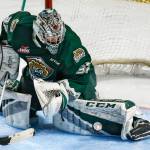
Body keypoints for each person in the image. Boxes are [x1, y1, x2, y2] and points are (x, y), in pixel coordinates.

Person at [0, 8, 150, 141]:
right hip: (39, 75)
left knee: (74, 112)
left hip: (76, 78)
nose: (55, 42)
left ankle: (133, 121)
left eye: (58, 37)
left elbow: (82, 79)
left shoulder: (72, 46)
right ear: (38, 31)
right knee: (21, 103)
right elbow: (6, 25)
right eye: (51, 39)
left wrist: (62, 94)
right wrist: (7, 53)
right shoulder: (20, 27)